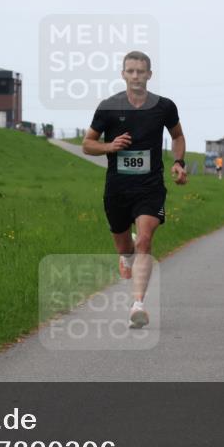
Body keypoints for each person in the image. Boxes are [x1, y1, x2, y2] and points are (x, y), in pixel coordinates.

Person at [82, 51, 188, 328]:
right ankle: (125, 256)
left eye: (141, 71)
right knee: (126, 247)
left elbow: (177, 135)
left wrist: (178, 162)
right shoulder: (108, 107)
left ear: (149, 75)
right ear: (123, 74)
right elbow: (87, 144)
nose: (136, 76)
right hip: (117, 188)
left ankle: (138, 304)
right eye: (131, 71)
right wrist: (110, 146)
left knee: (144, 241)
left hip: (150, 187)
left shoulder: (164, 107)